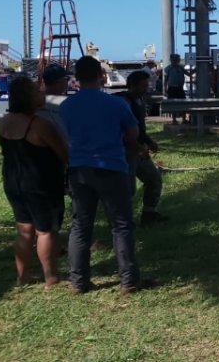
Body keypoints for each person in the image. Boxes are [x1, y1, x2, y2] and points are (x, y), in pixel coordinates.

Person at [60, 56, 148, 294]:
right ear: (100, 75)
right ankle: (128, 280)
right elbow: (132, 134)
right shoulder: (116, 104)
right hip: (111, 168)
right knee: (121, 225)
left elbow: (65, 136)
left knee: (80, 225)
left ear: (76, 78)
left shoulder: (66, 106)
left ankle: (78, 282)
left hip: (79, 169)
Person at [0, 75, 69, 288]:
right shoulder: (39, 125)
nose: (42, 94)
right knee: (46, 230)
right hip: (40, 183)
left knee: (24, 229)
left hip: (13, 181)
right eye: (37, 92)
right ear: (28, 98)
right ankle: (51, 277)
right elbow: (64, 154)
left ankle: (22, 276)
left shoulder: (4, 122)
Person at [114, 71, 168, 226]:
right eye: (143, 85)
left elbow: (139, 127)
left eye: (148, 84)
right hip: (126, 151)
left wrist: (148, 141)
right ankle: (122, 221)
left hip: (139, 149)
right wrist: (138, 148)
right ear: (132, 85)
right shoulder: (123, 101)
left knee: (154, 178)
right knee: (127, 189)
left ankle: (149, 214)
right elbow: (123, 131)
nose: (147, 88)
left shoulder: (140, 100)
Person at [37, 63, 70, 138]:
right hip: (62, 146)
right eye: (66, 79)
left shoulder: (34, 101)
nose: (67, 82)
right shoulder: (67, 103)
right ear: (59, 81)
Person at [163, 54, 187, 124]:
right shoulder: (168, 68)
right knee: (172, 104)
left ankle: (184, 119)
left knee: (183, 103)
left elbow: (189, 74)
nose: (176, 61)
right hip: (172, 88)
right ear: (171, 60)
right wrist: (165, 88)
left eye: (177, 59)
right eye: (174, 59)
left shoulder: (181, 67)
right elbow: (165, 80)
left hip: (180, 88)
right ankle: (174, 119)